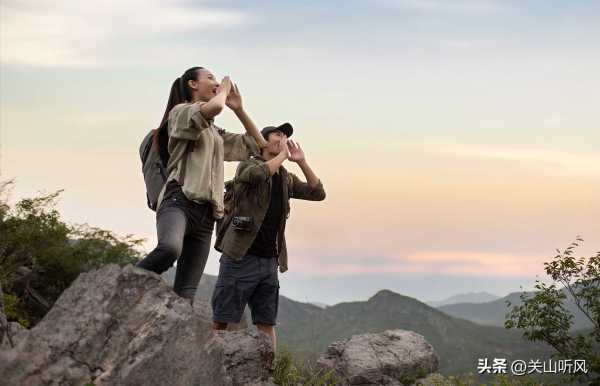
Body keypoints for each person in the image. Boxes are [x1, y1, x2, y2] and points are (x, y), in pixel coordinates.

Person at [136, 67, 268, 302]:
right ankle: (122, 285)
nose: (216, 83)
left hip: (207, 216)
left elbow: (258, 145)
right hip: (179, 201)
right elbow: (215, 107)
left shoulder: (214, 133)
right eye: (210, 78)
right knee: (169, 249)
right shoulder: (181, 113)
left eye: (217, 79)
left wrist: (239, 109)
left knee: (187, 292)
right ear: (192, 85)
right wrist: (225, 88)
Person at [211, 123, 326, 349]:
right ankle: (209, 367)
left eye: (285, 136)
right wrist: (283, 155)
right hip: (239, 257)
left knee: (266, 322)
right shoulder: (247, 164)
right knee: (222, 319)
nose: (282, 138)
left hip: (269, 260)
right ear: (263, 141)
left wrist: (301, 161)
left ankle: (269, 374)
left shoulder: (285, 177)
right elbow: (258, 174)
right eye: (278, 134)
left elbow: (318, 193)